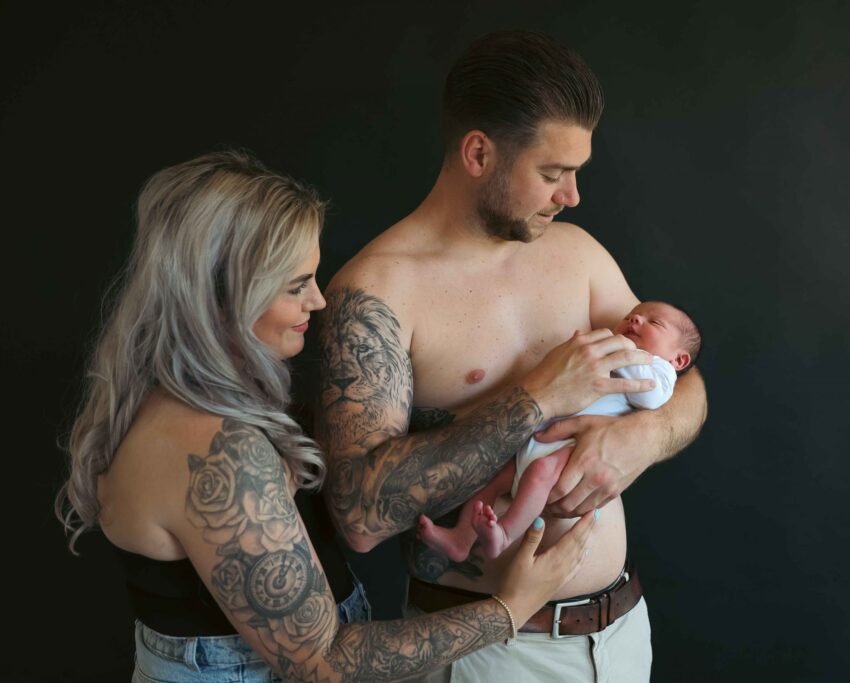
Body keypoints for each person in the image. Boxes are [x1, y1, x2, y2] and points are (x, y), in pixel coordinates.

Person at [54, 150, 605, 683]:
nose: (318, 302)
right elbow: (324, 661)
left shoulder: (194, 403)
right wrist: (512, 608)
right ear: (223, 295)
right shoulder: (214, 447)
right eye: (296, 286)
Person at [319, 30, 707, 683]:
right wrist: (538, 397)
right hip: (490, 655)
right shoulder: (377, 293)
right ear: (478, 152)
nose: (571, 195)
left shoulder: (578, 253)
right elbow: (359, 515)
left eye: (576, 173)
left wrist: (640, 439)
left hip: (619, 636)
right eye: (552, 174)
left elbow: (682, 377)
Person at [417, 302, 702, 561]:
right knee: (490, 483)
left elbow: (649, 397)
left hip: (571, 447)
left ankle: (504, 534)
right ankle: (462, 538)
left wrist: (620, 350)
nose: (635, 319)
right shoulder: (612, 350)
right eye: (630, 316)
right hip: (541, 438)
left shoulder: (660, 371)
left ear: (679, 360)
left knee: (540, 473)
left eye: (654, 323)